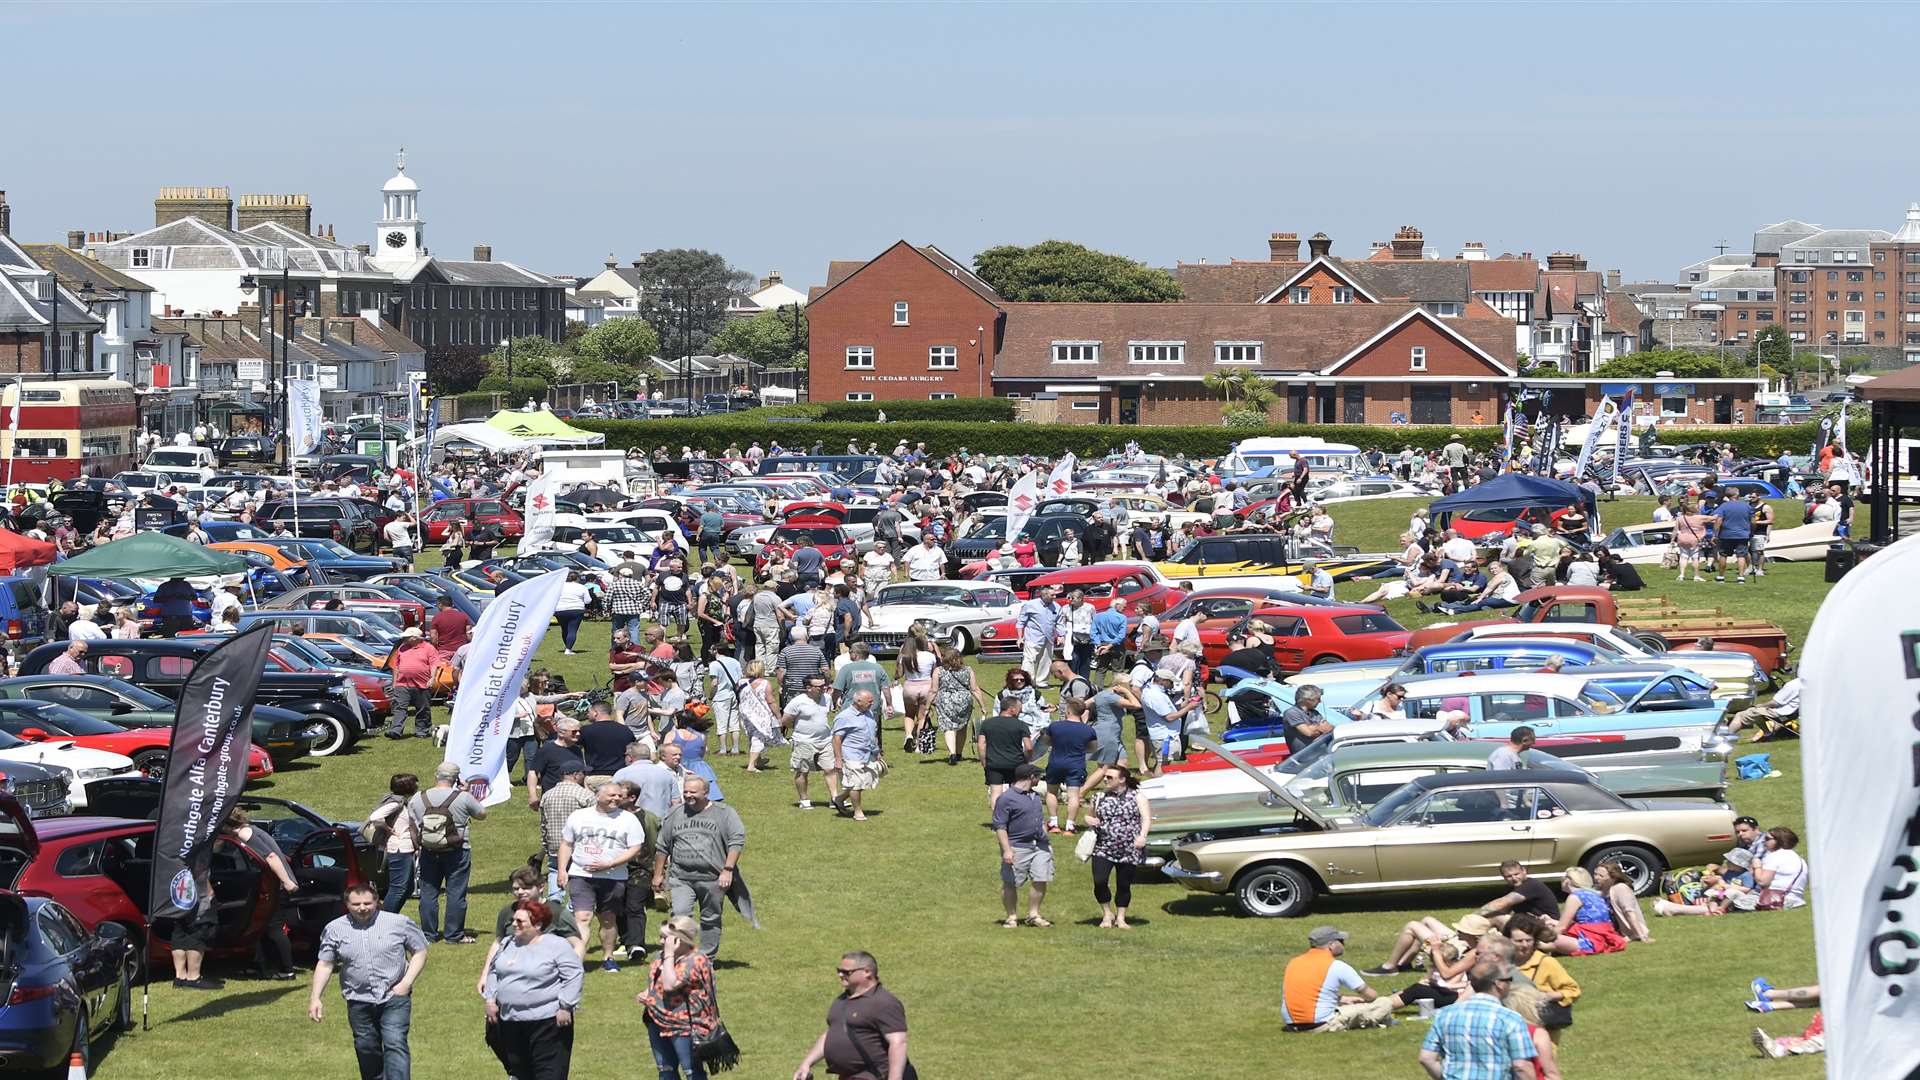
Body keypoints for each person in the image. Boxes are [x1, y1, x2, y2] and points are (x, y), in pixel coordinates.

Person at [310, 883, 429, 1080]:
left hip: (394, 996)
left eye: (367, 903)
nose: (362, 908)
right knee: (366, 1047)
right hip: (358, 999)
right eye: (356, 904)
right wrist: (316, 998)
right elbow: (325, 964)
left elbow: (420, 951)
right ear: (347, 904)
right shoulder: (334, 929)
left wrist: (406, 983)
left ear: (377, 902)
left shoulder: (398, 923)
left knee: (395, 1041)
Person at [483, 899, 584, 1080]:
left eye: (520, 921)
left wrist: (565, 1006)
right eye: (513, 920)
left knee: (549, 1073)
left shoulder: (556, 945)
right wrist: (490, 999)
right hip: (511, 1021)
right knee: (521, 1072)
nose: (514, 924)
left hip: (547, 1023)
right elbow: (493, 971)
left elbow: (573, 975)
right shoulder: (507, 944)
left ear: (537, 924)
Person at [558, 781, 647, 972]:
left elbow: (636, 847)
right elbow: (566, 843)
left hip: (613, 877)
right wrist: (562, 870)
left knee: (608, 918)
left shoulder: (628, 819)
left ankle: (608, 957)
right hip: (581, 874)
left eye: (618, 796)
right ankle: (575, 961)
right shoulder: (579, 816)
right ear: (598, 796)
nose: (616, 798)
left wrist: (611, 863)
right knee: (582, 917)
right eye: (611, 795)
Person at [653, 775, 746, 958]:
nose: (688, 795)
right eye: (685, 791)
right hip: (681, 878)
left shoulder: (724, 812)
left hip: (713, 877)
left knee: (710, 918)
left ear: (706, 792)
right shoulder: (675, 813)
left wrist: (727, 870)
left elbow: (736, 841)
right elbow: (662, 845)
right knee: (679, 916)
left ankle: (706, 958)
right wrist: (658, 874)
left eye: (693, 792)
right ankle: (677, 956)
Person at [793, 949, 910, 1080]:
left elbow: (898, 1043)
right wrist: (806, 1064)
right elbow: (831, 1034)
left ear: (867, 972)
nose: (840, 975)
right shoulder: (841, 1000)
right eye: (838, 970)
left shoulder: (883, 1002)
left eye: (846, 972)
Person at [1416, 961, 1538, 1079]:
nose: (1510, 984)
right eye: (1509, 980)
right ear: (1499, 983)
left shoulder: (1445, 1014)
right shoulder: (1510, 1019)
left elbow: (1426, 1058)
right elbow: (1521, 1066)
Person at [408, 762, 486, 944]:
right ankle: (453, 935)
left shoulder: (419, 797)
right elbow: (482, 814)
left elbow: (413, 825)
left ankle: (428, 934)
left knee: (428, 892)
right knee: (456, 893)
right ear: (457, 778)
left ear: (437, 775)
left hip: (428, 849)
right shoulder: (463, 797)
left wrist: (417, 846)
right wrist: (468, 792)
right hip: (458, 849)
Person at [637, 915, 719, 1080]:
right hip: (657, 1020)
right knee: (665, 1070)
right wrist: (648, 992)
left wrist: (668, 956)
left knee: (691, 1071)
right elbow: (660, 981)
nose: (661, 942)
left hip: (684, 1025)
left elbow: (670, 984)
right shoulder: (660, 956)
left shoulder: (696, 961)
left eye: (665, 938)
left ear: (680, 939)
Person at [227, 806, 302, 979]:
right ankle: (257, 965)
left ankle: (287, 970)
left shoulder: (245, 834)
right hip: (267, 887)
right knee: (258, 926)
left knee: (274, 927)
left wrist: (287, 882)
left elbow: (271, 857)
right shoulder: (251, 830)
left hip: (277, 887)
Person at [478, 867, 578, 998]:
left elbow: (577, 945)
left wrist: (569, 976)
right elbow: (498, 944)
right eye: (515, 888)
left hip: (545, 979)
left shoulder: (557, 912)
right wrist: (485, 974)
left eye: (525, 888)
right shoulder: (507, 912)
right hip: (510, 977)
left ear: (541, 887)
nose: (520, 892)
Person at [1082, 764, 1149, 929]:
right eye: (1105, 777)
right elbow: (1089, 816)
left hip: (1129, 848)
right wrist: (1090, 820)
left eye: (1110, 777)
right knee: (1100, 881)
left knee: (1124, 884)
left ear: (1122, 779)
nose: (1105, 779)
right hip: (1103, 847)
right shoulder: (1099, 797)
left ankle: (1121, 918)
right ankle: (1106, 914)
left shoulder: (1137, 796)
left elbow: (1146, 818)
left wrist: (1142, 836)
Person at [1281, 925, 1385, 1031]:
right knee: (1384, 1003)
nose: (1344, 944)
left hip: (1292, 1025)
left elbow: (1306, 992)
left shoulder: (1294, 962)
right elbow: (1371, 996)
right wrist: (1365, 1001)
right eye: (1341, 941)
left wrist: (1341, 999)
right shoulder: (1337, 966)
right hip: (1321, 1024)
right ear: (1331, 945)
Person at [992, 763, 1054, 928]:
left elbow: (1037, 819)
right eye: (1038, 776)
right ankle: (1011, 916)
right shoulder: (1006, 798)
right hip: (1017, 846)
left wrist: (1044, 830)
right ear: (1031, 777)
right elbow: (1000, 826)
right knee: (1011, 882)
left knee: (1040, 878)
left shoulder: (1034, 796)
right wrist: (1006, 850)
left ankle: (1034, 914)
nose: (1040, 780)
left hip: (1040, 846)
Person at [1036, 697, 1097, 833]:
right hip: (1076, 764)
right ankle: (1070, 826)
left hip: (1056, 763)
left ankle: (1054, 823)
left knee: (1052, 792)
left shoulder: (1055, 726)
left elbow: (1047, 742)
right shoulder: (1088, 730)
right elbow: (1093, 748)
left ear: (1069, 711)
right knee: (1073, 796)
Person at [364, 773, 422, 913]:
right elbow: (375, 817)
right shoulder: (396, 803)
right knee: (398, 887)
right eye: (415, 783)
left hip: (404, 849)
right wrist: (388, 829)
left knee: (407, 888)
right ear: (407, 787)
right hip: (399, 848)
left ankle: (391, 915)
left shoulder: (401, 801)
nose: (417, 785)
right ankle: (385, 918)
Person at [784, 674, 841, 810]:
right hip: (803, 741)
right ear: (808, 688)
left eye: (825, 685)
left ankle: (835, 799)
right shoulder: (797, 702)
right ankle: (804, 799)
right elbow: (785, 721)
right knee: (802, 771)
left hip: (825, 740)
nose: (824, 688)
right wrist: (799, 729)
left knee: (830, 769)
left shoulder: (827, 698)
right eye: (820, 686)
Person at [931, 645, 990, 766]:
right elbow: (975, 689)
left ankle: (952, 753)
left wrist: (927, 706)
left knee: (948, 727)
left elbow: (933, 690)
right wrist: (982, 706)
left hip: (945, 700)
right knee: (962, 726)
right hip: (964, 701)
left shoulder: (939, 671)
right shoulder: (968, 670)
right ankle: (959, 753)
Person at [831, 689, 883, 821]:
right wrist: (838, 759)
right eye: (869, 701)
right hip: (851, 755)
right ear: (858, 701)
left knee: (864, 782)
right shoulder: (844, 717)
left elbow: (872, 735)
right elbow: (837, 738)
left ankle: (839, 799)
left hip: (866, 754)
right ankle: (858, 812)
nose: (872, 703)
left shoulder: (869, 713)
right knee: (856, 785)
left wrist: (876, 752)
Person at [977, 695, 1033, 817]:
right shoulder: (1021, 725)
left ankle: (998, 822)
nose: (1021, 711)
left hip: (993, 763)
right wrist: (1025, 761)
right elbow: (1029, 747)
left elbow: (981, 745)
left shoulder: (987, 723)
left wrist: (984, 762)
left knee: (995, 792)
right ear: (1012, 709)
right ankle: (1016, 819)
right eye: (1019, 708)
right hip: (1016, 763)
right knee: (1017, 791)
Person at [386, 627, 438, 739]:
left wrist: (432, 677)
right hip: (402, 683)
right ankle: (396, 730)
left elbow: (434, 664)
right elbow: (396, 666)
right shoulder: (402, 648)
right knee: (400, 707)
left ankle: (422, 730)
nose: (403, 639)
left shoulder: (429, 648)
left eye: (406, 637)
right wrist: (394, 682)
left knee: (423, 708)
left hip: (422, 684)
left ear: (414, 638)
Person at [1475, 861, 1560, 928]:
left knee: (1500, 919)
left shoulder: (1531, 885)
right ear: (1504, 877)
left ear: (1524, 871)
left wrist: (1473, 916)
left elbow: (1500, 903)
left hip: (1547, 925)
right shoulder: (1512, 889)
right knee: (1495, 919)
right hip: (1530, 924)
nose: (1514, 878)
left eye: (1516, 874)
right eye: (1509, 876)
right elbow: (1503, 910)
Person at [1727, 674, 1801, 740]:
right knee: (1757, 712)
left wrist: (1759, 705)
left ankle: (1727, 739)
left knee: (1740, 715)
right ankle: (1767, 734)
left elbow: (1775, 703)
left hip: (1781, 712)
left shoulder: (1793, 684)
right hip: (1793, 713)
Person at [1279, 685, 1333, 755]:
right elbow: (1309, 733)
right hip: (1305, 758)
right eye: (1318, 699)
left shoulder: (1315, 712)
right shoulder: (1292, 713)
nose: (1320, 701)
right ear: (1307, 700)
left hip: (1322, 754)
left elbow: (1329, 728)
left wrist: (1315, 728)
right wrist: (1319, 728)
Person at [553, 571, 591, 654]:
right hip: (576, 609)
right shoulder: (582, 587)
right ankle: (568, 649)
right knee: (572, 630)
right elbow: (588, 601)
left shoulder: (560, 586)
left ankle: (567, 646)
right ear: (578, 578)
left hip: (560, 610)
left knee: (564, 629)